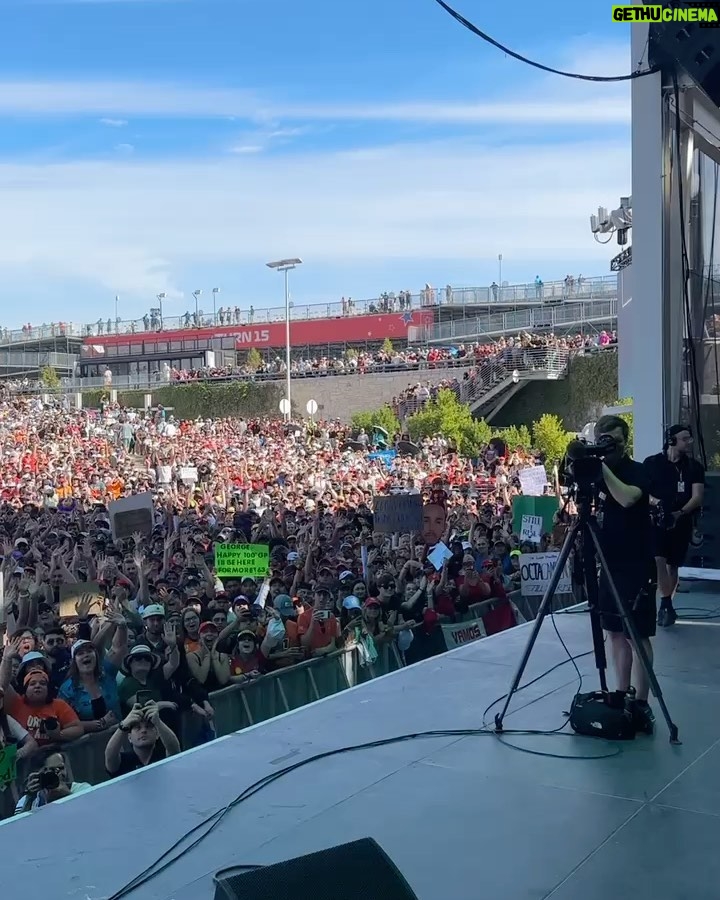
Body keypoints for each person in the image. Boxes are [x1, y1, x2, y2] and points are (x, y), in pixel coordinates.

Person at [593, 415, 656, 734]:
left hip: (637, 563)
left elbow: (628, 498)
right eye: (602, 439)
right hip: (609, 562)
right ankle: (620, 692)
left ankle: (642, 701)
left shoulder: (638, 471)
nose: (607, 446)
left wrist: (601, 467)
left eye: (613, 441)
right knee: (614, 631)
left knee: (636, 633)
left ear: (624, 441)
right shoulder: (597, 473)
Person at [644, 424, 705, 627]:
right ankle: (664, 602)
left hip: (682, 519)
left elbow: (697, 497)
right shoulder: (652, 463)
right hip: (657, 519)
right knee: (659, 559)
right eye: (685, 438)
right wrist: (657, 504)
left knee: (674, 564)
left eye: (690, 438)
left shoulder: (693, 467)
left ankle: (667, 603)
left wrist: (680, 513)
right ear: (671, 440)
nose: (689, 442)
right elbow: (644, 492)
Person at [104, 700, 180, 777]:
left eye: (148, 727)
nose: (143, 731)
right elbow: (110, 756)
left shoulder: (162, 755)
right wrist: (124, 725)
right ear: (129, 737)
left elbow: (174, 749)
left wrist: (157, 721)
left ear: (157, 734)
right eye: (138, 728)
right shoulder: (124, 761)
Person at [14, 749, 92, 814]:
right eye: (51, 770)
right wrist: (30, 798)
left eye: (61, 768)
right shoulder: (26, 800)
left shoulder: (83, 789)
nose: (58, 774)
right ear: (39, 774)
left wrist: (68, 795)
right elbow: (18, 827)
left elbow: (90, 813)